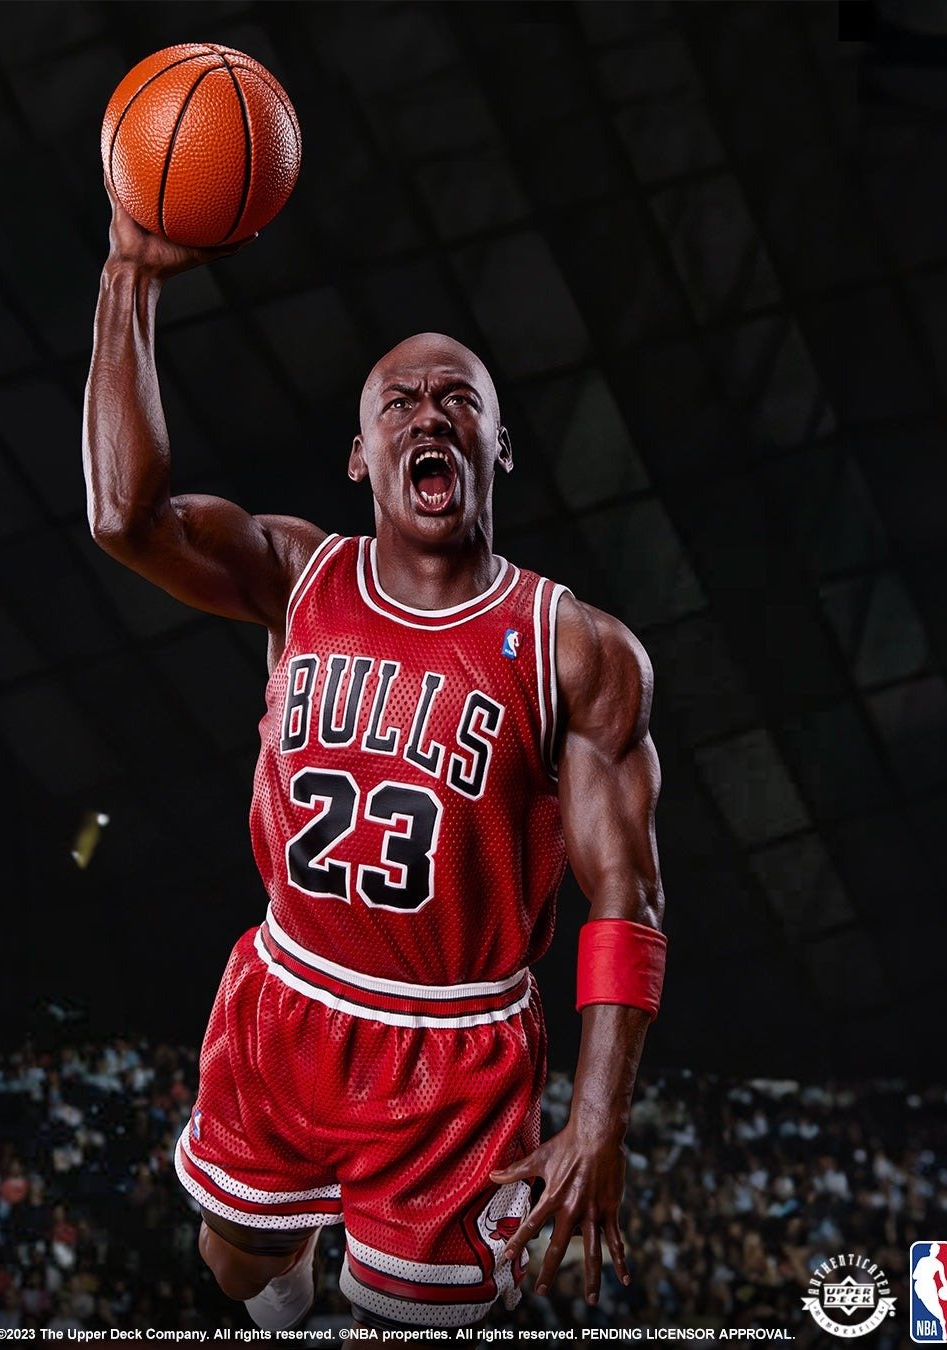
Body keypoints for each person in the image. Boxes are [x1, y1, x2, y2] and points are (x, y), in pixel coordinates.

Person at [83, 183, 667, 1333]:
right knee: (235, 1262)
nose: (429, 414)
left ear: (498, 445)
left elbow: (627, 896)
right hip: (291, 989)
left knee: (411, 1324)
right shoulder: (298, 575)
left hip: (456, 1044)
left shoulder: (577, 648)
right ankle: (290, 1288)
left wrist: (599, 1117)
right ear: (362, 456)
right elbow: (124, 519)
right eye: (400, 402)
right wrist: (129, 279)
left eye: (459, 399)